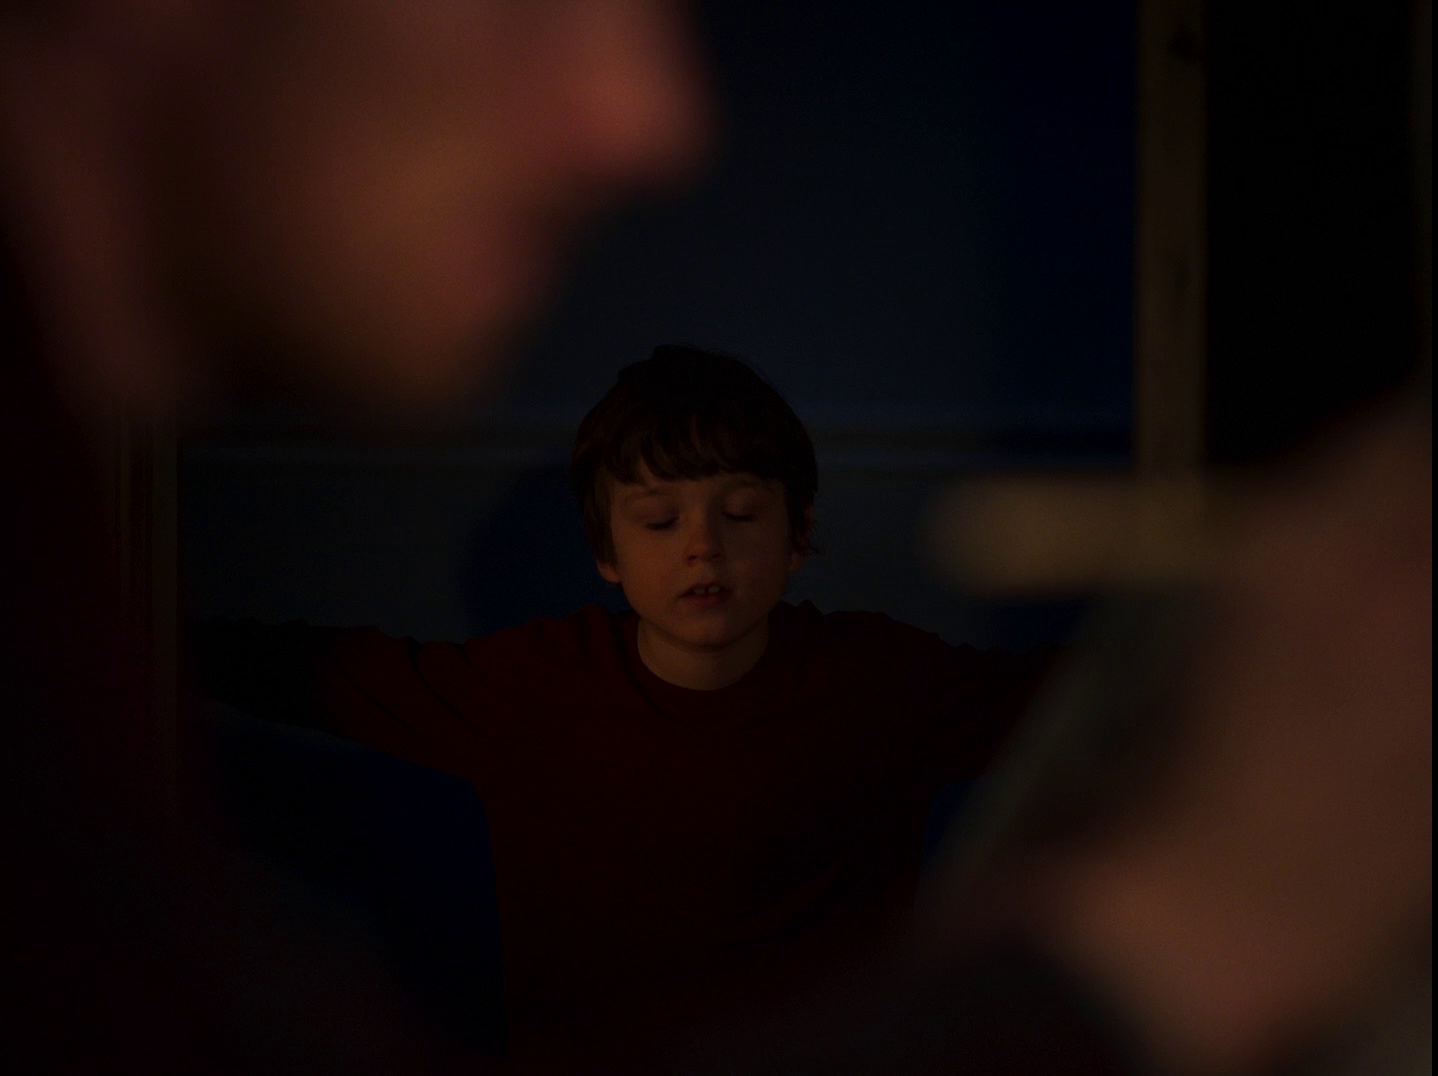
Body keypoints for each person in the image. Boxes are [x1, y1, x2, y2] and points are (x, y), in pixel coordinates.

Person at [192, 344, 1055, 1058]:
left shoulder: (880, 682)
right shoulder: (537, 687)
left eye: (740, 513)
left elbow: (1086, 708)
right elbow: (312, 675)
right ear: (606, 554)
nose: (702, 548)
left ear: (797, 535)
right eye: (659, 521)